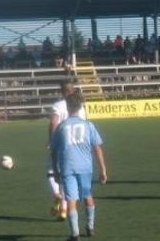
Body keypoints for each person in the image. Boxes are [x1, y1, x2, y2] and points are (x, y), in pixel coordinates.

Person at [50, 91, 108, 241]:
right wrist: (103, 169)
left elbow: (54, 151)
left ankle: (75, 234)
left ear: (68, 108)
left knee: (71, 200)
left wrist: (55, 170)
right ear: (80, 107)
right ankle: (90, 227)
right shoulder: (88, 125)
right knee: (88, 196)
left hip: (67, 168)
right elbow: (97, 148)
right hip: (85, 167)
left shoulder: (62, 127)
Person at [47, 81, 87, 220]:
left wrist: (51, 140)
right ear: (73, 90)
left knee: (51, 171)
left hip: (61, 143)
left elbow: (53, 122)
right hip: (78, 148)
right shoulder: (80, 107)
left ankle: (57, 194)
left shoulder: (59, 105)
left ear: (61, 91)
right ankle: (64, 209)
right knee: (67, 177)